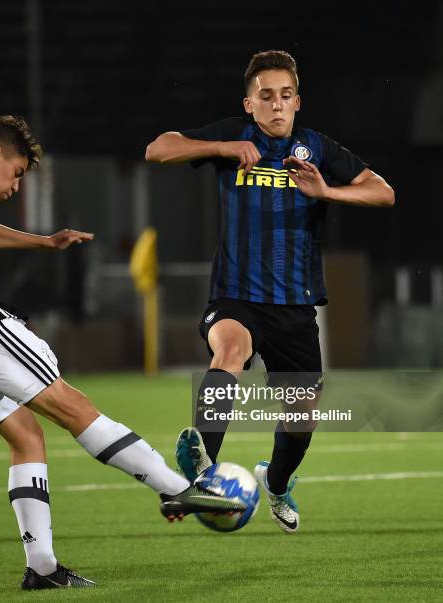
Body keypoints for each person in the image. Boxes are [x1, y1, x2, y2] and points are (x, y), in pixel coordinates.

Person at [0, 115, 244, 590]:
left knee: (27, 438)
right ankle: (178, 490)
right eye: (15, 173)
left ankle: (44, 569)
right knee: (75, 407)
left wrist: (44, 242)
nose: (15, 186)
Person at [145, 50, 394, 534]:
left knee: (302, 416)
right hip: (237, 297)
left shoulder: (317, 149)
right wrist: (220, 149)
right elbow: (158, 149)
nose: (276, 106)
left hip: (297, 306)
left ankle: (276, 482)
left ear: (298, 101)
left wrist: (328, 194)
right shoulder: (234, 136)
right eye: (266, 97)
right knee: (230, 349)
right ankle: (202, 470)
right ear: (249, 104)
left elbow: (383, 191)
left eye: (285, 96)